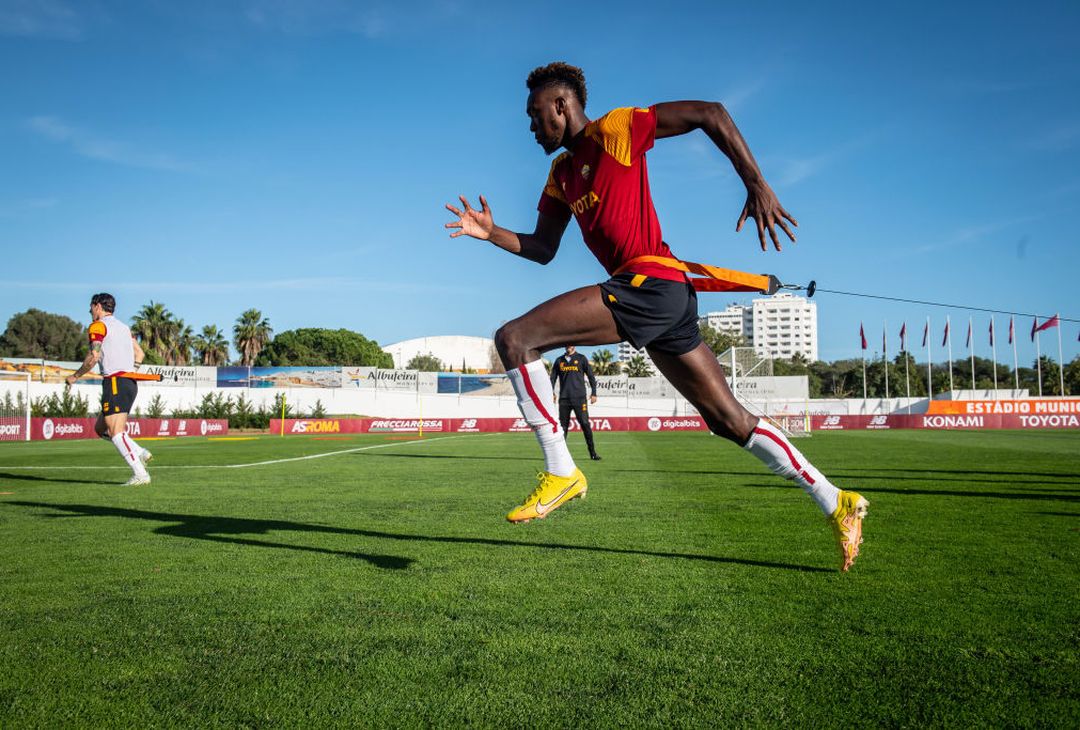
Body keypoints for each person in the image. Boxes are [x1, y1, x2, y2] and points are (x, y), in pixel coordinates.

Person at [445, 62, 868, 570]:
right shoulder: (560, 176)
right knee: (728, 420)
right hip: (661, 300)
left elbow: (711, 113)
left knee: (515, 338)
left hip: (651, 284)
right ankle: (836, 500)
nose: (531, 127)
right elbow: (542, 248)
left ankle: (562, 471)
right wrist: (490, 232)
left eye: (535, 115)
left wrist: (756, 183)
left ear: (561, 105)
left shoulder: (616, 130)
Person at [66, 293, 153, 485]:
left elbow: (93, 356)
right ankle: (140, 452)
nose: (89, 310)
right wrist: (131, 371)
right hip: (128, 382)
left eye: (91, 306)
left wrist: (75, 376)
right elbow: (140, 353)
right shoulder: (124, 328)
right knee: (100, 428)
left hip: (115, 382)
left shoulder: (98, 326)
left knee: (115, 432)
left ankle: (140, 474)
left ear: (98, 306)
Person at [550, 344, 600, 460]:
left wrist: (594, 393)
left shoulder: (581, 358)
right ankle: (560, 455)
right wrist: (551, 393)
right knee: (563, 427)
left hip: (579, 398)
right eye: (566, 345)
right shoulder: (559, 360)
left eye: (570, 345)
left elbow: (591, 376)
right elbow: (552, 378)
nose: (568, 347)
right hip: (564, 399)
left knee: (585, 424)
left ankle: (592, 453)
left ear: (574, 346)